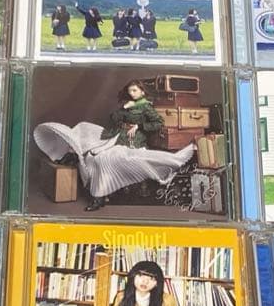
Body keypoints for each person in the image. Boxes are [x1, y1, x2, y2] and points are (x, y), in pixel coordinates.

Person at [33, 80, 196, 212]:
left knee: (111, 159)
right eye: (130, 91)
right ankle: (81, 165)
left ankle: (98, 196)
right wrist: (124, 108)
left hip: (134, 141)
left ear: (142, 92)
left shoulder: (147, 107)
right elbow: (114, 118)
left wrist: (139, 126)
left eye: (135, 91)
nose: (132, 94)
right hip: (117, 137)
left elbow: (158, 124)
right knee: (92, 154)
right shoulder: (129, 104)